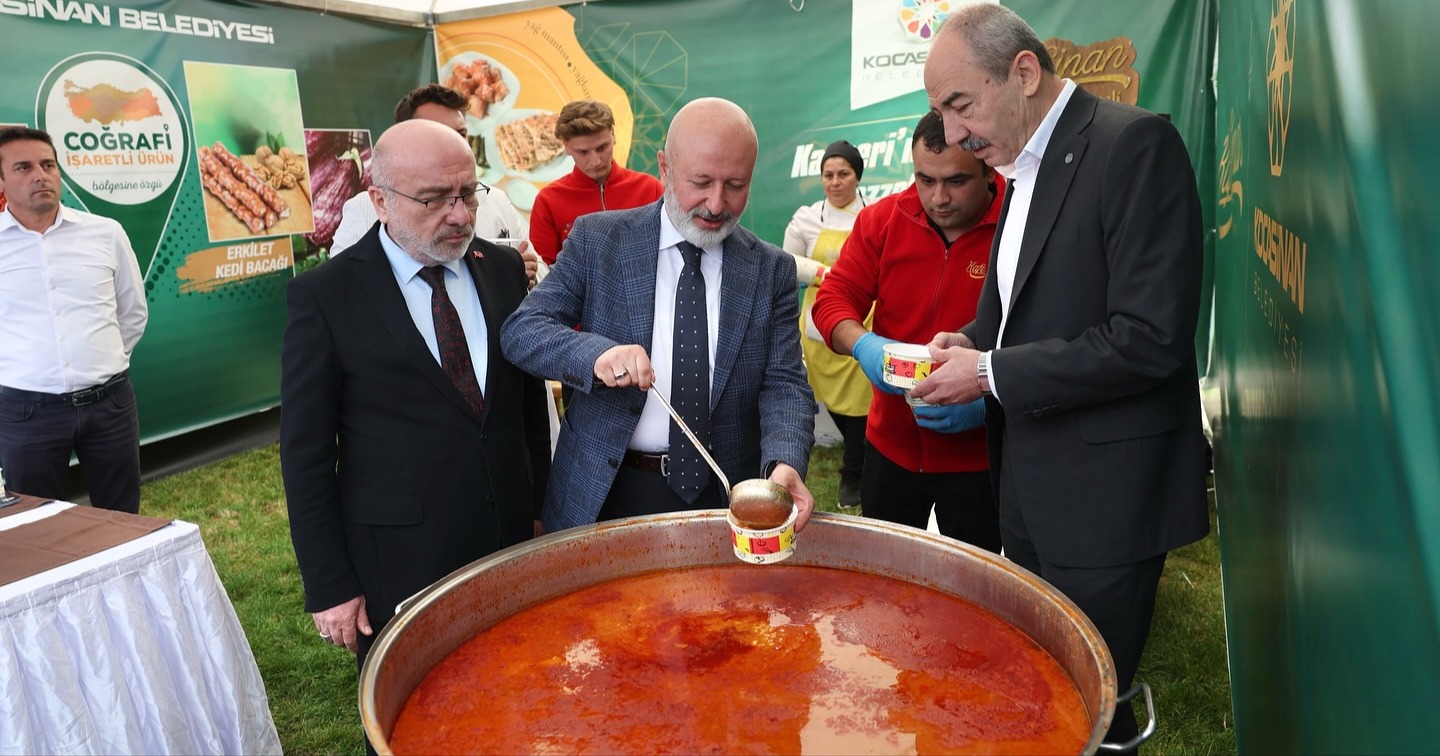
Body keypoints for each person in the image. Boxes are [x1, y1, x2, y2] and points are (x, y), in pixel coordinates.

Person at [919, 5, 1208, 748]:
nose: (952, 135)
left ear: (1023, 73)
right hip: (1029, 489)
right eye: (940, 114)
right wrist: (977, 340)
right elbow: (1041, 306)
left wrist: (987, 372)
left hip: (1106, 503)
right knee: (1045, 692)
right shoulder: (1021, 163)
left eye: (959, 105)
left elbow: (1151, 339)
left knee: (1090, 704)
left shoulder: (1135, 146)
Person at [280, 119, 551, 679]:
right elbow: (304, 455)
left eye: (467, 194)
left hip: (506, 544)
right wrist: (330, 583)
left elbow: (526, 407)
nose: (459, 215)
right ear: (379, 200)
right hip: (400, 562)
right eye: (434, 200)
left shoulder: (500, 269)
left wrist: (538, 510)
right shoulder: (326, 297)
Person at [501, 97, 816, 533]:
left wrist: (784, 462)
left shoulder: (770, 269)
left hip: (722, 492)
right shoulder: (599, 241)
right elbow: (522, 331)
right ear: (664, 169)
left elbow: (784, 382)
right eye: (701, 182)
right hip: (607, 490)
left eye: (736, 185)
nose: (716, 203)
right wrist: (596, 355)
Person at [811, 112, 1003, 552]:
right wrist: (864, 345)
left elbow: (1041, 328)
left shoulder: (1018, 223)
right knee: (886, 581)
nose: (939, 197)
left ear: (988, 168)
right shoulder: (882, 220)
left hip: (980, 456)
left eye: (956, 181)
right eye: (924, 179)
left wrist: (990, 400)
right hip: (891, 446)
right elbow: (833, 300)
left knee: (973, 588)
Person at [0, 126, 148, 513]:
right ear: (1, 180)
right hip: (26, 414)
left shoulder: (105, 233)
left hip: (110, 405)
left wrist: (99, 364)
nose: (40, 175)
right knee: (35, 527)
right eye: (23, 167)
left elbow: (132, 313)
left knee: (120, 519)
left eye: (48, 164)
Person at [330, 84, 542, 286]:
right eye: (432, 199)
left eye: (460, 135)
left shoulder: (496, 200)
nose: (460, 216)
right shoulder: (366, 208)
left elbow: (543, 274)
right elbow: (343, 287)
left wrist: (521, 275)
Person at [782, 139, 871, 509]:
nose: (835, 182)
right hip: (818, 328)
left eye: (843, 174)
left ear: (857, 176)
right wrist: (824, 273)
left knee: (862, 401)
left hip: (864, 321)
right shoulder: (806, 217)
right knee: (830, 398)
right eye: (828, 175)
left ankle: (853, 473)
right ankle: (852, 461)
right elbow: (788, 264)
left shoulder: (874, 215)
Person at [527, 99, 664, 265]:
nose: (596, 161)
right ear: (566, 146)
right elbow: (543, 274)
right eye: (583, 152)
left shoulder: (650, 188)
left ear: (613, 135)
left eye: (602, 148)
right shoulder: (548, 201)